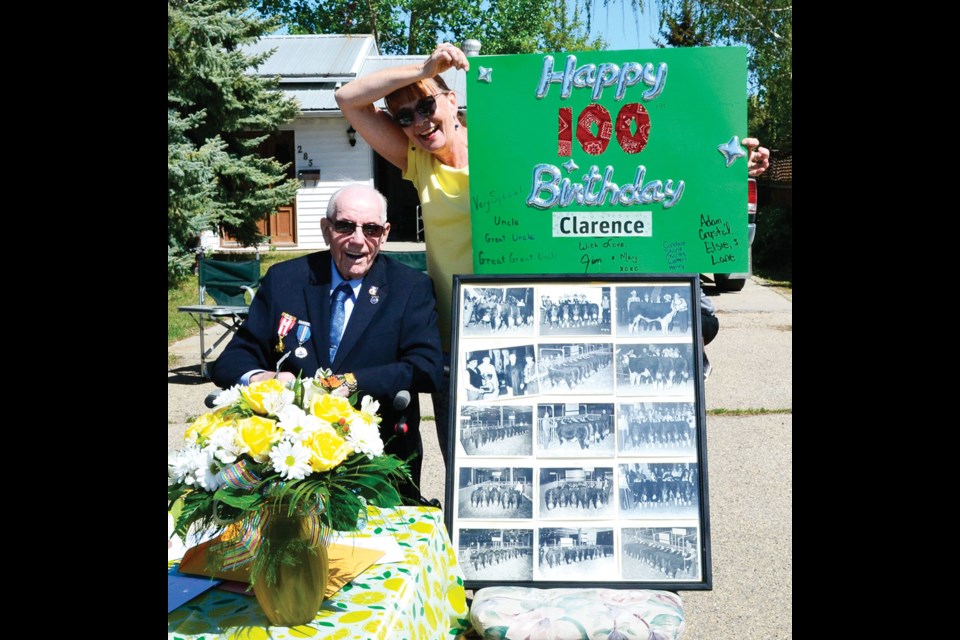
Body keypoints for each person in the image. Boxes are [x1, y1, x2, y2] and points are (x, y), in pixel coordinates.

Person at [335, 43, 771, 453]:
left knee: (542, 454)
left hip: (537, 330)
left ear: (452, 101)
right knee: (467, 461)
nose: (418, 122)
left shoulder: (513, 148)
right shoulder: (418, 163)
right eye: (404, 116)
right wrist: (421, 72)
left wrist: (726, 165)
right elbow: (348, 99)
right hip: (460, 336)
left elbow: (642, 166)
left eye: (427, 104)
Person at [211, 183, 444, 503]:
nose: (358, 240)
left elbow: (427, 368)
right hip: (288, 462)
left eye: (371, 229)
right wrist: (262, 378)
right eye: (345, 226)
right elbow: (233, 359)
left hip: (378, 460)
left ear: (385, 233)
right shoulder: (286, 280)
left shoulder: (410, 288)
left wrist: (353, 382)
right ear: (326, 228)